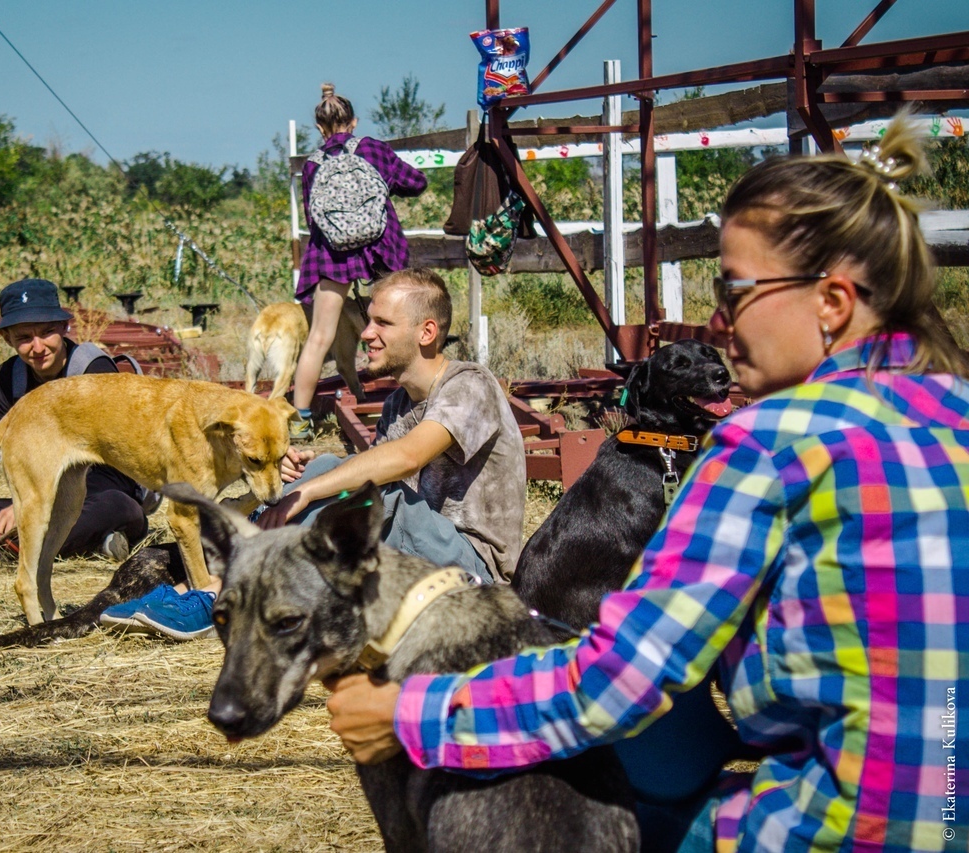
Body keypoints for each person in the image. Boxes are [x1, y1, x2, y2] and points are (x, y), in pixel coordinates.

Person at [325, 118, 969, 852]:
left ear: (833, 300)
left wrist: (414, 712)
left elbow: (622, 679)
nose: (719, 321)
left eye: (735, 288)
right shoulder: (956, 417)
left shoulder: (771, 443)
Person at [261, 268, 525, 585]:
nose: (366, 333)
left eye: (383, 323)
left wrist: (308, 492)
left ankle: (239, 578)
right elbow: (368, 471)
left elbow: (406, 458)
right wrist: (304, 470)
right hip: (412, 551)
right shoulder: (397, 405)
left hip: (473, 566)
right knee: (332, 468)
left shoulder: (471, 384)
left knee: (377, 492)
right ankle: (249, 549)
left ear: (426, 333)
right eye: (370, 320)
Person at [0, 278, 148, 565]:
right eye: (24, 337)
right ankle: (89, 545)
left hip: (100, 493)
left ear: (64, 328)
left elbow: (116, 469)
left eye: (47, 333)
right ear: (7, 339)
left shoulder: (93, 371)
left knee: (118, 507)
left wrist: (34, 505)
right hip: (38, 504)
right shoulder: (6, 382)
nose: (38, 346)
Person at [289, 83, 427, 440]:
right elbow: (417, 182)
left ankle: (300, 421)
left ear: (320, 129)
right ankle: (421, 400)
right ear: (354, 122)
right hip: (382, 247)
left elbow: (312, 217)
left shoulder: (312, 165)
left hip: (332, 254)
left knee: (319, 337)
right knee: (402, 326)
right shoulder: (372, 149)